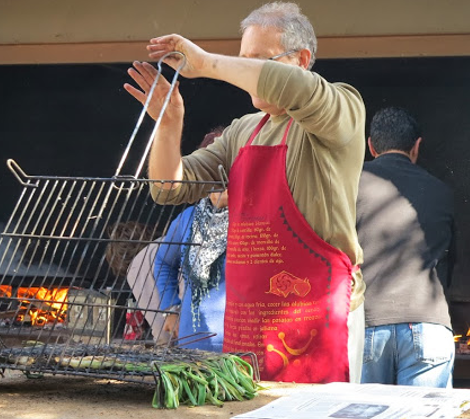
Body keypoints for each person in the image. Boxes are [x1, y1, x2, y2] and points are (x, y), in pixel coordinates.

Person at [124, 2, 366, 383]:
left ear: (302, 59)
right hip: (249, 323)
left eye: (259, 61)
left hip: (317, 321)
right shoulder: (242, 131)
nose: (246, 72)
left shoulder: (340, 109)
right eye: (243, 60)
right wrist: (169, 126)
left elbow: (293, 88)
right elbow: (168, 187)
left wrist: (206, 64)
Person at [357, 107, 455, 388]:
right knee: (424, 410)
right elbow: (450, 262)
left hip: (368, 324)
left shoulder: (350, 185)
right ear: (416, 146)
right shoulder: (443, 191)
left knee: (366, 409)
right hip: (430, 324)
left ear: (371, 146)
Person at [153, 128, 228, 352]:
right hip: (191, 342)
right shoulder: (188, 219)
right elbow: (163, 263)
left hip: (241, 346)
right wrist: (170, 309)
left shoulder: (257, 219)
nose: (220, 180)